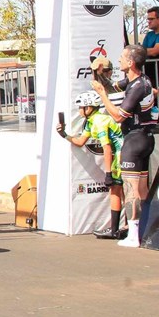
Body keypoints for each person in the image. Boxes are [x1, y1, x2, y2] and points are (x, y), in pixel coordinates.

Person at [91, 45, 156, 248]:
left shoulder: (139, 86)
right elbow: (113, 88)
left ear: (131, 63)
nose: (118, 61)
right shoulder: (136, 81)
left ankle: (134, 234)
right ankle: (142, 231)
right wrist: (98, 73)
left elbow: (118, 115)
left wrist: (101, 95)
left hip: (135, 140)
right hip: (143, 138)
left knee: (132, 189)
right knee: (142, 189)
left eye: (122, 58)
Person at [57, 91, 125, 240]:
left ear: (89, 108)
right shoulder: (90, 121)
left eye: (81, 107)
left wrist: (108, 174)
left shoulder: (100, 120)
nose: (79, 110)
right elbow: (81, 142)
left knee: (116, 190)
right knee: (121, 192)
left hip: (121, 154)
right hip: (119, 154)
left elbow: (106, 147)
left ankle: (115, 230)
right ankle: (123, 228)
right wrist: (64, 134)